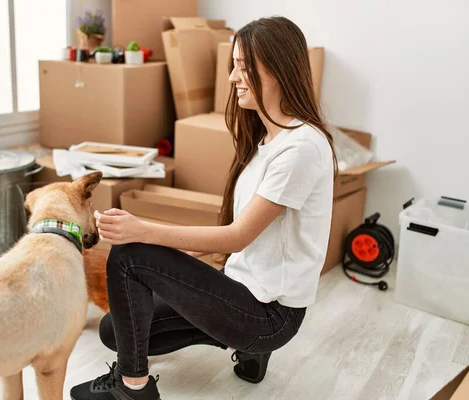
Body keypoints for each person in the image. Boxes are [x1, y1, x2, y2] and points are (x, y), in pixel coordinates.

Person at [69, 15, 338, 400]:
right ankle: (247, 347)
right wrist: (178, 259)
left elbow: (238, 235)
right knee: (115, 330)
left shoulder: (301, 149)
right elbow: (245, 236)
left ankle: (133, 390)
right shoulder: (266, 142)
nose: (232, 77)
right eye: (234, 66)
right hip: (240, 289)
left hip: (268, 314)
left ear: (277, 70)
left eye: (243, 67)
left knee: (128, 257)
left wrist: (142, 231)